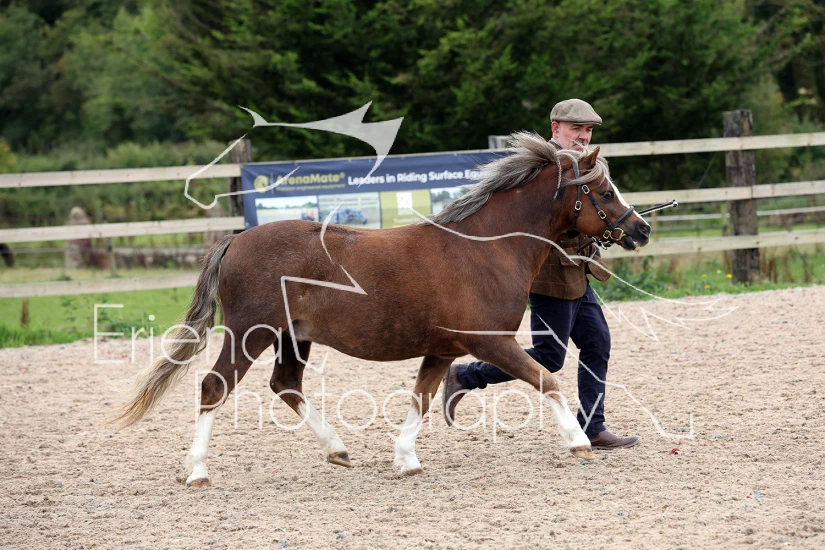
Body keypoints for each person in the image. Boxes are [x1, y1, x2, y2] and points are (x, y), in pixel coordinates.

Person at [442, 98, 640, 449]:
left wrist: (610, 230)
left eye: (588, 130)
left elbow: (596, 212)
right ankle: (466, 375)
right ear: (556, 128)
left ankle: (593, 426)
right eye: (576, 128)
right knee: (550, 355)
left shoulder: (590, 165)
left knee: (597, 344)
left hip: (579, 271)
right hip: (547, 275)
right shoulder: (540, 168)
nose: (583, 136)